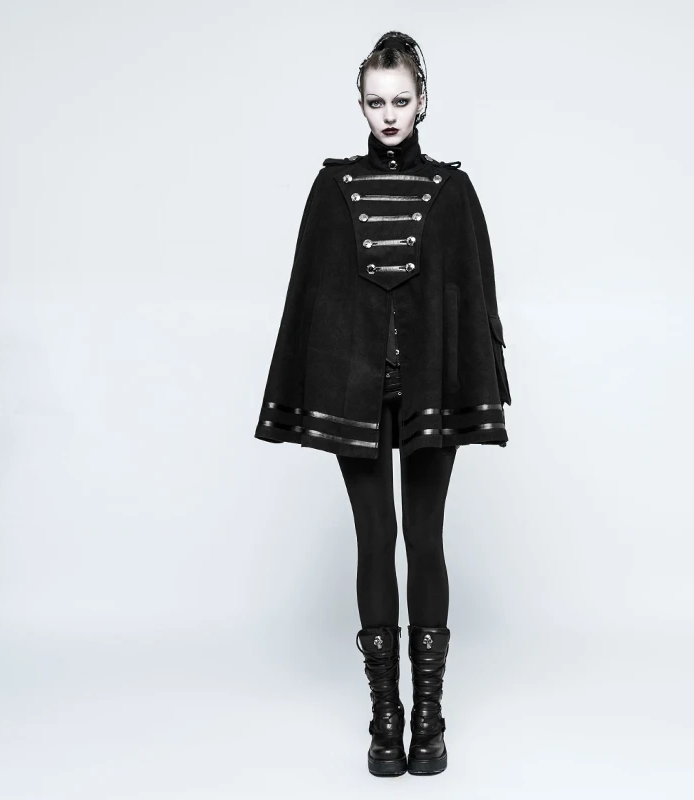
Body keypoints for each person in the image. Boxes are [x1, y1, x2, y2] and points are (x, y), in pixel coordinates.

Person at [253, 30, 511, 778]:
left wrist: (478, 386)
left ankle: (428, 720)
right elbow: (311, 297)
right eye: (376, 101)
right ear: (360, 104)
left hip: (430, 388)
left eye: (401, 100)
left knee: (425, 538)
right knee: (375, 538)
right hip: (353, 389)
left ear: (422, 100)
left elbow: (472, 295)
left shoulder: (453, 190)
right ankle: (385, 720)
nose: (389, 114)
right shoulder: (332, 189)